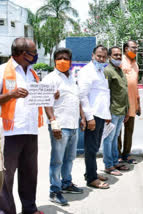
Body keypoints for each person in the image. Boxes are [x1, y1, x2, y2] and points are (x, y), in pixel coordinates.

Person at [0, 38, 44, 214]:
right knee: (6, 177)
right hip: (10, 132)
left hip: (31, 130)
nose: (36, 55)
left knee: (30, 174)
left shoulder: (33, 73)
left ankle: (29, 209)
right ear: (23, 54)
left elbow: (39, 97)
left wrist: (50, 96)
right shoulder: (2, 71)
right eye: (33, 52)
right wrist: (10, 94)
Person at [42, 48, 85, 206]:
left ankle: (66, 183)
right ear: (54, 61)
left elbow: (77, 98)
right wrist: (53, 122)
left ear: (70, 61)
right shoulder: (50, 79)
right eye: (59, 58)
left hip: (73, 125)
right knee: (57, 160)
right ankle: (54, 190)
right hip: (59, 126)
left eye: (65, 58)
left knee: (69, 158)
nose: (62, 61)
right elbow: (46, 103)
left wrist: (82, 118)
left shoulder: (71, 78)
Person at [78, 45, 111, 189]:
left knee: (96, 146)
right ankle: (91, 179)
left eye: (104, 57)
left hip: (101, 114)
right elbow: (83, 95)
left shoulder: (101, 71)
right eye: (99, 56)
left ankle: (91, 173)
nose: (101, 59)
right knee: (91, 148)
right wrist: (89, 117)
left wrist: (107, 114)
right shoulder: (86, 71)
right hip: (93, 115)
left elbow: (103, 94)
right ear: (92, 55)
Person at [103, 46, 130, 176]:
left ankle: (114, 162)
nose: (118, 57)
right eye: (115, 55)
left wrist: (127, 109)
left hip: (121, 110)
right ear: (109, 57)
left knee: (114, 139)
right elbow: (105, 93)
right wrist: (106, 113)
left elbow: (124, 91)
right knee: (109, 139)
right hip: (112, 111)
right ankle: (108, 165)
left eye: (120, 55)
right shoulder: (108, 71)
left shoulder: (119, 70)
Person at [118, 40, 141, 164]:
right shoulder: (120, 61)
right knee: (117, 131)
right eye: (133, 48)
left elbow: (135, 84)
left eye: (136, 48)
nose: (135, 50)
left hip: (133, 102)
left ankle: (126, 154)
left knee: (129, 130)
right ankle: (117, 155)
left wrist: (138, 103)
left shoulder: (135, 64)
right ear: (126, 48)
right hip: (121, 102)